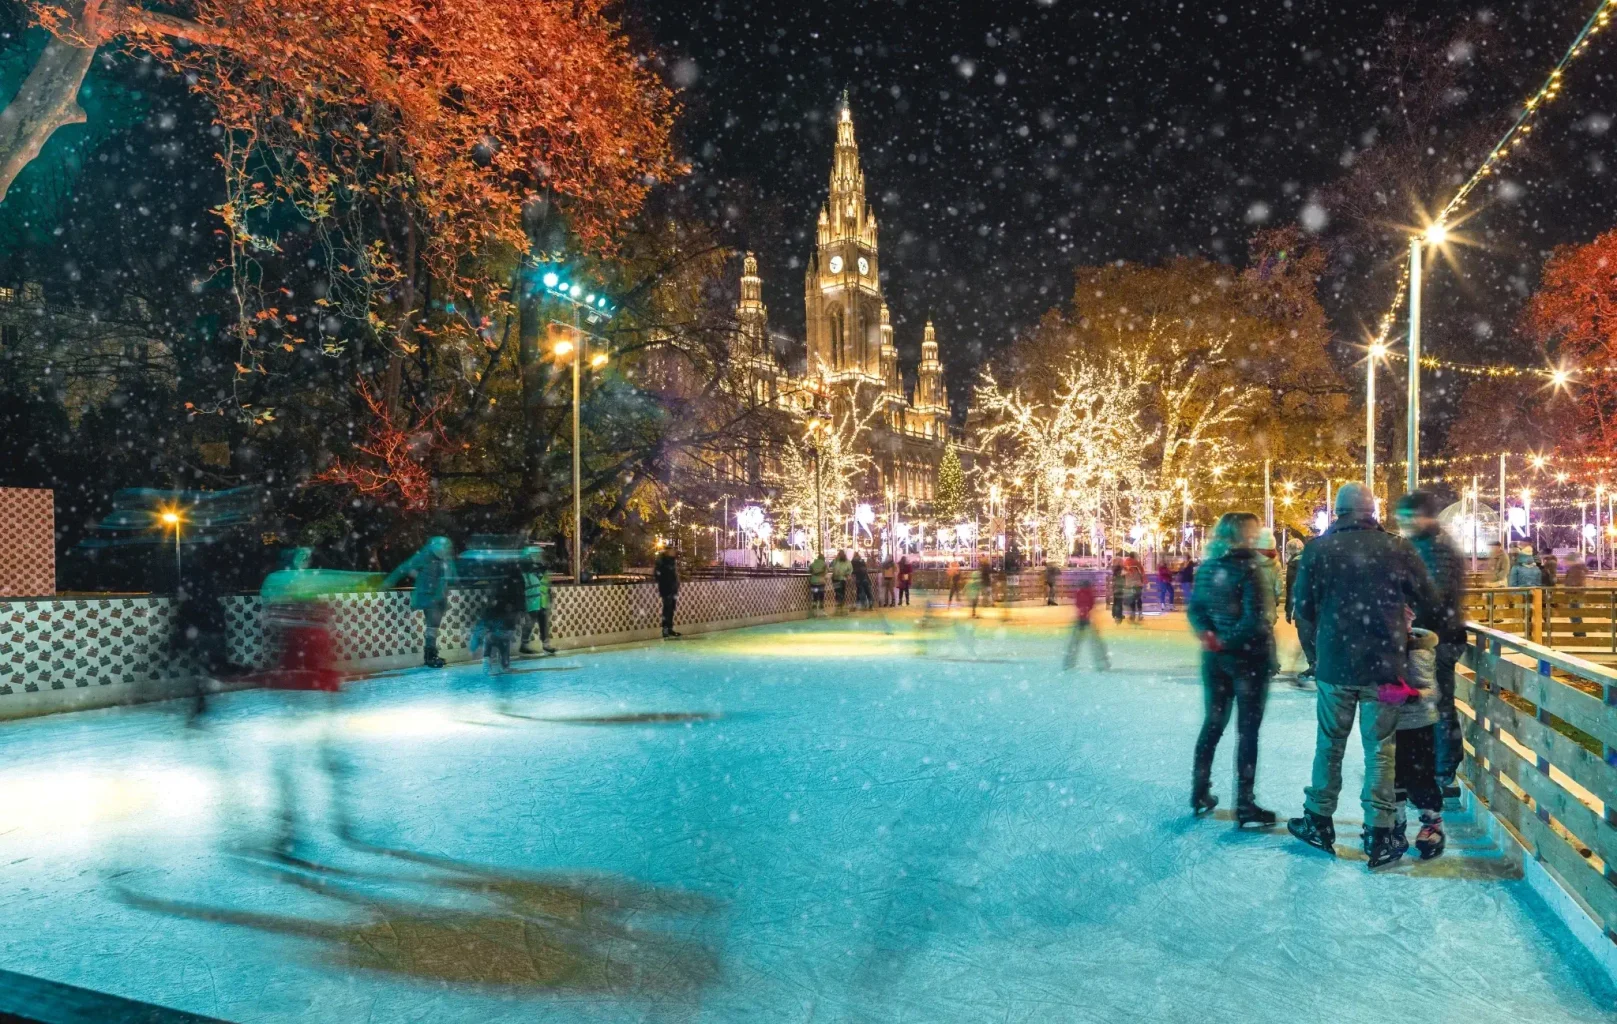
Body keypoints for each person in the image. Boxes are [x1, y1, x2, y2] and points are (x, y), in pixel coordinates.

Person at [1288, 482, 1438, 869]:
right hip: (1385, 669)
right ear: (1373, 511)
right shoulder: (1397, 548)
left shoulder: (1318, 550)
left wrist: (1317, 656)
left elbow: (1302, 610)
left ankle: (1319, 820)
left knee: (1330, 744)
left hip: (1336, 666)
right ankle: (1381, 831)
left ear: (1337, 512)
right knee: (1380, 749)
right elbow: (1426, 597)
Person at [1187, 511, 1276, 826]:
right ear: (1243, 535)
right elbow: (1258, 619)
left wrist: (1209, 634)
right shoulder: (1252, 569)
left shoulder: (1210, 567)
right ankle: (1245, 805)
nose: (1257, 535)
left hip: (1216, 661)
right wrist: (1227, 640)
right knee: (1247, 731)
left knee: (1213, 723)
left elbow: (1196, 609)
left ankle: (1200, 792)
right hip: (1248, 661)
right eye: (1253, 531)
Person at [1395, 491, 1468, 798]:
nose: (1405, 522)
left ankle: (1442, 773)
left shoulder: (1437, 550)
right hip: (1427, 637)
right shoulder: (1421, 545)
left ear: (1426, 517)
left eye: (1410, 516)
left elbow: (1435, 597)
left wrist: (1408, 612)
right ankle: (1424, 771)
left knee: (1437, 704)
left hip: (1438, 639)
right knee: (1425, 704)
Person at [1391, 624, 1447, 860]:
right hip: (1387, 724)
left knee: (1420, 776)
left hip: (1417, 725)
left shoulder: (1418, 651)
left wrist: (1412, 696)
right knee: (1389, 777)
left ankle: (1432, 820)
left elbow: (1433, 692)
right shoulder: (1377, 647)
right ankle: (1395, 822)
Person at [383, 536, 456, 668]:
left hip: (439, 597)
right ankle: (430, 656)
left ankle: (431, 654)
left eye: (447, 547)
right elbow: (403, 568)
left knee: (433, 627)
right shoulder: (425, 556)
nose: (445, 549)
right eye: (443, 546)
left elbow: (452, 576)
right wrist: (387, 583)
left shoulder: (445, 559)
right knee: (432, 627)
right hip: (429, 597)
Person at [1062, 578, 1110, 671]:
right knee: (1095, 642)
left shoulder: (1079, 593)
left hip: (1080, 618)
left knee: (1075, 642)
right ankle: (1102, 662)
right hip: (1087, 618)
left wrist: (1082, 611)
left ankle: (1069, 662)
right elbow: (1091, 604)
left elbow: (1078, 604)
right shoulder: (1089, 594)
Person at [518, 545, 557, 655]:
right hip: (531, 603)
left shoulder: (543, 571)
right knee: (530, 623)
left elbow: (546, 587)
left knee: (543, 623)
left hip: (542, 602)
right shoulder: (524, 573)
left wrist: (549, 599)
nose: (539, 558)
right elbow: (520, 589)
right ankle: (524, 645)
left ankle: (545, 645)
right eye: (536, 556)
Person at [654, 545, 681, 638]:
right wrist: (665, 583)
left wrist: (676, 584)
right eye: (671, 550)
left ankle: (669, 628)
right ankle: (665, 628)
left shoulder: (671, 560)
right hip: (666, 588)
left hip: (672, 588)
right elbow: (658, 574)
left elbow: (674, 574)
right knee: (667, 608)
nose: (673, 552)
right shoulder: (662, 561)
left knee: (671, 608)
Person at [1122, 554, 1145, 623]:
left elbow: (1122, 575)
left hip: (1129, 585)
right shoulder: (1137, 564)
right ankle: (1140, 614)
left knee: (1132, 599)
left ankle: (1133, 614)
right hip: (1137, 584)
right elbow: (1142, 574)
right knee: (1138, 599)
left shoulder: (1125, 564)